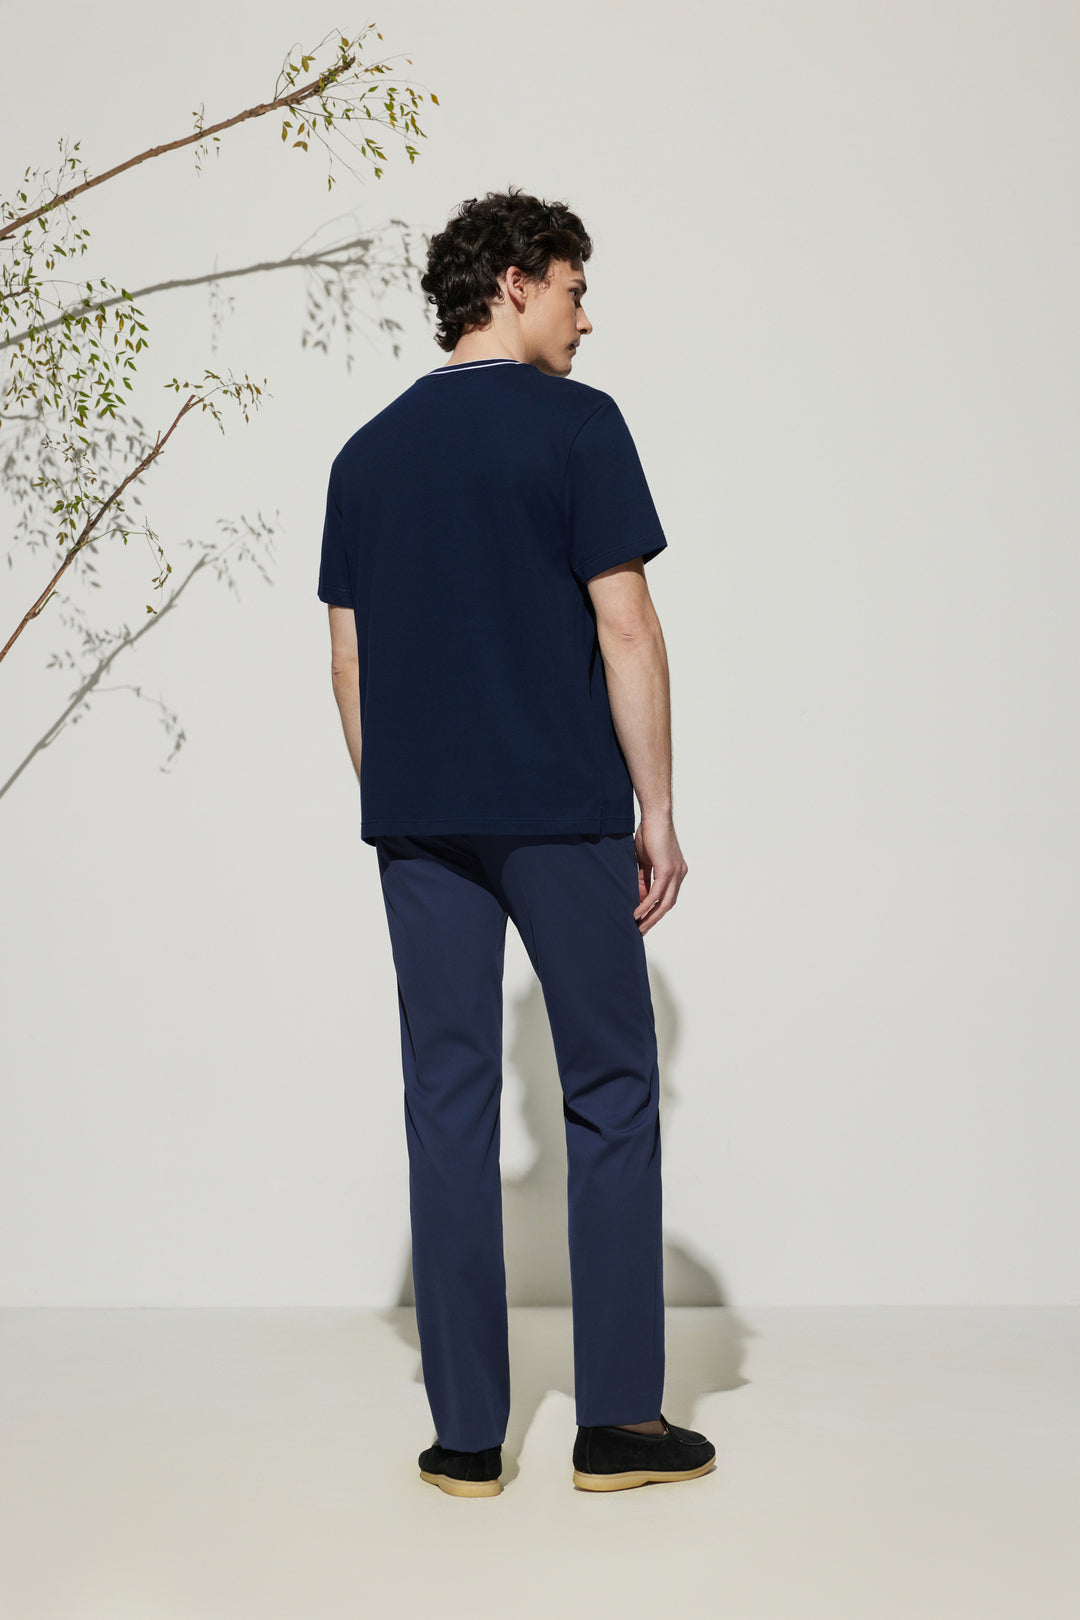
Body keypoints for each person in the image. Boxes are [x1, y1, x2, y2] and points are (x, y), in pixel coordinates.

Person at [317, 187, 715, 1497]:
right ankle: (619, 1425)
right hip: (560, 812)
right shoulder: (578, 428)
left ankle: (466, 1442)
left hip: (419, 822)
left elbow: (350, 658)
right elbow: (627, 626)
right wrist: (658, 809)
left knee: (446, 1101)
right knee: (612, 1089)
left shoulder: (366, 455)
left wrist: (402, 796)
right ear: (515, 283)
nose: (586, 320)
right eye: (575, 290)